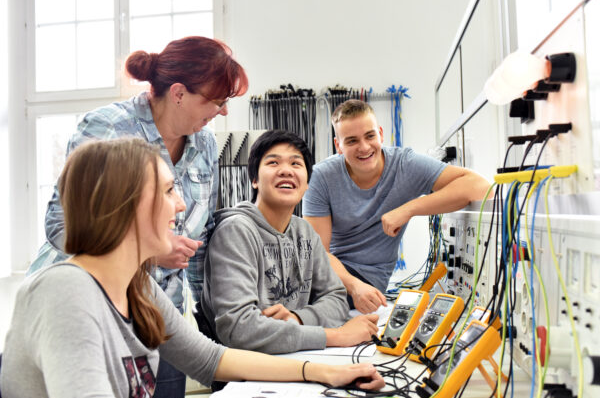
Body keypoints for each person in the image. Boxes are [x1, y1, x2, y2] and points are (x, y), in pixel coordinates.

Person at [0, 139, 384, 398]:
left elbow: (212, 358)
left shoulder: (138, 288)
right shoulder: (66, 292)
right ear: (124, 203)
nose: (182, 205)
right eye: (169, 191)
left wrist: (324, 372)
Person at [26, 36, 247, 396]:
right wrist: (147, 250)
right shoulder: (110, 128)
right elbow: (61, 224)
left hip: (159, 313)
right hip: (90, 306)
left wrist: (211, 325)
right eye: (217, 101)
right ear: (178, 93)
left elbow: (199, 243)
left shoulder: (205, 144)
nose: (223, 112)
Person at [303, 99, 490, 314]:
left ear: (380, 134)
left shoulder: (405, 165)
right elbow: (317, 252)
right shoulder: (321, 176)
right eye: (352, 140)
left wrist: (409, 208)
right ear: (339, 146)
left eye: (370, 136)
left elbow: (480, 186)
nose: (364, 147)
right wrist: (353, 286)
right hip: (332, 272)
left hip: (369, 279)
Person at [200, 130, 379, 354]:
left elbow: (336, 298)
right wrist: (336, 336)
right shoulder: (236, 231)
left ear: (306, 184)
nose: (286, 171)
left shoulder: (305, 232)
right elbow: (238, 329)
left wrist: (298, 318)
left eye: (296, 164)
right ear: (254, 180)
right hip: (249, 371)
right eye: (273, 162)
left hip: (299, 356)